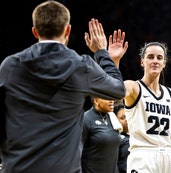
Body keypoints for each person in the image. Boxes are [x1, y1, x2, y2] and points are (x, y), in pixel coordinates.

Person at [0, 1, 127, 172]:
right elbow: (118, 90)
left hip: (19, 167)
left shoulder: (10, 66)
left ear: (35, 31)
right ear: (68, 30)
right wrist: (102, 54)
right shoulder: (82, 66)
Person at [123, 42, 171, 173]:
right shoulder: (133, 88)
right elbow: (113, 89)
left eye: (159, 58)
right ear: (142, 62)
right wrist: (114, 60)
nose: (155, 61)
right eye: (150, 57)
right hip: (143, 155)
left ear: (164, 63)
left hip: (167, 156)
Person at [81, 98, 123, 173]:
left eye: (112, 97)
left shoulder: (112, 117)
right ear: (96, 101)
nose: (111, 101)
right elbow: (76, 152)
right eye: (107, 98)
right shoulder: (85, 119)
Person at [114, 100, 130, 173]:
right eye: (122, 118)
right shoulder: (115, 138)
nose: (126, 120)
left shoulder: (135, 135)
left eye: (127, 117)